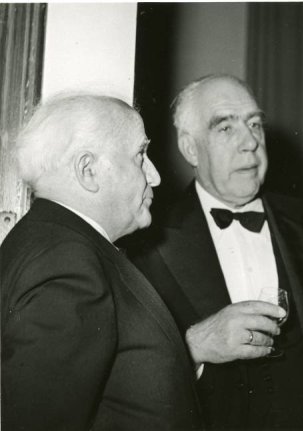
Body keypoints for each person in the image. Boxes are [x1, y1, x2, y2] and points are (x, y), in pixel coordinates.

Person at [129, 74, 303, 429]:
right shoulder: (145, 237)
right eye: (225, 128)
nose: (250, 143)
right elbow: (121, 365)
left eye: (255, 124)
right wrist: (191, 345)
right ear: (191, 148)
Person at [1, 94, 203, 431]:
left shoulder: (52, 242)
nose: (154, 176)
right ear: (88, 170)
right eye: (140, 155)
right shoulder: (70, 263)